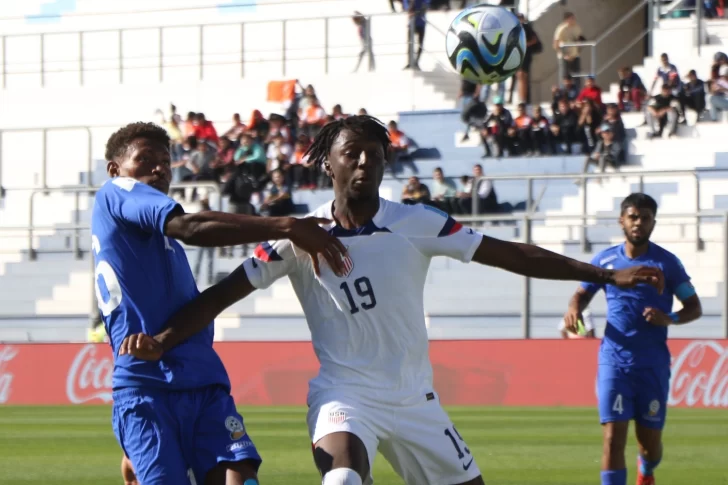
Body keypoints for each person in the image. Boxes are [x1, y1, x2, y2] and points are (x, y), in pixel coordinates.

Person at [119, 116, 664, 485]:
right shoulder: (297, 237)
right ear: (327, 164)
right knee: (344, 477)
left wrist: (603, 275)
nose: (363, 163)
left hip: (415, 401)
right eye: (350, 154)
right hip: (344, 395)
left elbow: (511, 254)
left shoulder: (416, 223)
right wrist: (163, 340)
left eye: (373, 155)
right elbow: (220, 295)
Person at [93, 122, 347, 485]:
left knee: (240, 479)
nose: (159, 168)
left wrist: (162, 341)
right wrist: (287, 226)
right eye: (145, 159)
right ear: (115, 170)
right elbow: (190, 227)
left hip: (201, 381)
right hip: (147, 386)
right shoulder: (114, 194)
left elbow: (197, 307)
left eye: (165, 161)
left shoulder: (162, 247)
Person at [563, 193, 702, 485]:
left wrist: (671, 318)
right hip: (614, 362)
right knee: (613, 439)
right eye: (633, 217)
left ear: (653, 222)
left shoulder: (667, 264)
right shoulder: (606, 260)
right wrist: (574, 307)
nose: (639, 223)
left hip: (652, 365)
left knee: (649, 446)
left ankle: (647, 469)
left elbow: (694, 307)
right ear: (622, 220)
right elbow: (582, 293)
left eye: (645, 218)